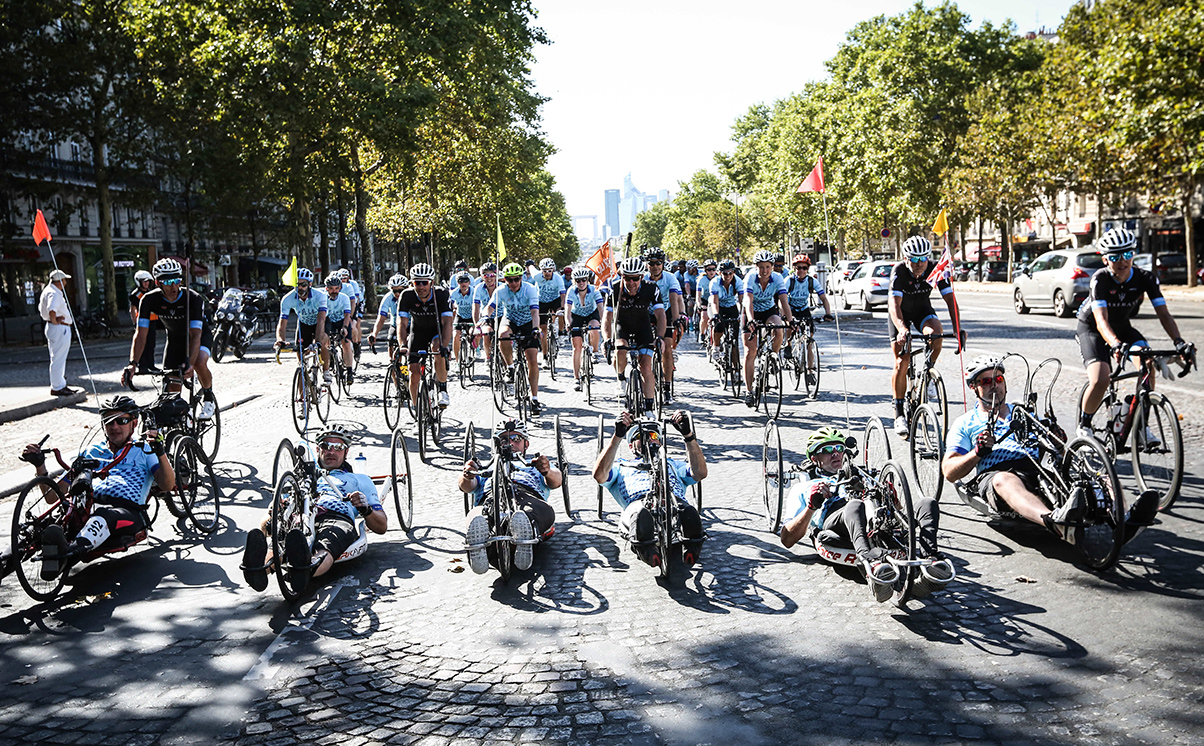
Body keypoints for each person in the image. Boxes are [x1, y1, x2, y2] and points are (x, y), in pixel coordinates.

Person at [943, 355, 1158, 545]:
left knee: (1101, 474)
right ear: (973, 387)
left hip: (1038, 468)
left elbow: (1060, 452)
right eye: (986, 381)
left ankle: (1124, 521)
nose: (994, 386)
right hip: (996, 473)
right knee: (1004, 480)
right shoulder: (966, 422)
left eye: (998, 379)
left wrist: (1057, 440)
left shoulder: (1024, 413)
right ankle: (1054, 523)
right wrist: (977, 452)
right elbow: (949, 470)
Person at [780, 427, 950, 600]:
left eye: (839, 449)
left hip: (877, 517)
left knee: (928, 503)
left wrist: (893, 499)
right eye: (828, 450)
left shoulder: (862, 475)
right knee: (854, 505)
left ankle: (932, 561)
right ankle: (871, 563)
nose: (836, 454)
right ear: (814, 458)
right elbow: (787, 539)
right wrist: (811, 506)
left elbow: (897, 512)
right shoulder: (804, 487)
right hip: (837, 519)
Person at [24, 395, 174, 580]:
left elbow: (167, 485)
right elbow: (52, 497)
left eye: (122, 420)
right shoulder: (91, 451)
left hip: (126, 512)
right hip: (84, 508)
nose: (115, 426)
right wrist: (40, 466)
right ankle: (6, 560)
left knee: (104, 516)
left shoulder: (144, 449)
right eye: (109, 422)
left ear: (134, 424)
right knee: (42, 525)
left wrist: (160, 452)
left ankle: (67, 554)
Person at [1075, 227, 1192, 439]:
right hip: (1092, 328)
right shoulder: (1100, 280)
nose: (1123, 261)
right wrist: (1115, 345)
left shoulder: (1145, 278)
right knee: (1101, 378)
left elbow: (1164, 314)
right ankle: (1085, 424)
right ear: (1105, 260)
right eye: (1115, 256)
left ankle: (1140, 426)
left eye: (1128, 254)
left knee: (1148, 364)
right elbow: (1101, 321)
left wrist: (1179, 342)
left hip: (1122, 326)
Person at [241, 426, 386, 592]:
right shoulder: (300, 479)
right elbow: (265, 527)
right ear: (318, 449)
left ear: (346, 452)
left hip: (336, 516)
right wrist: (273, 512)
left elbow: (381, 526)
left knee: (326, 545)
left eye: (338, 447)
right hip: (300, 513)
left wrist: (365, 508)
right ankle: (258, 569)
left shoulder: (359, 479)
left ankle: (305, 568)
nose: (331, 451)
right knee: (280, 542)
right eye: (326, 446)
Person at [593, 411, 707, 568]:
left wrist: (688, 436)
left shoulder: (672, 464)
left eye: (653, 436)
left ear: (660, 443)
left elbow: (700, 473)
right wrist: (617, 436)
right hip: (638, 504)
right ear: (632, 446)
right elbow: (599, 475)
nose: (648, 439)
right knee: (640, 514)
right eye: (640, 437)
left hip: (672, 502)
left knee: (686, 510)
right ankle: (647, 550)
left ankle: (692, 545)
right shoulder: (621, 466)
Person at [460, 419, 561, 574]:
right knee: (479, 516)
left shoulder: (533, 464)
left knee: (536, 511)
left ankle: (526, 531)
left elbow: (556, 481)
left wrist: (546, 470)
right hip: (490, 497)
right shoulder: (488, 465)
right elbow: (467, 486)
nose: (510, 443)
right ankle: (479, 544)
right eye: (504, 440)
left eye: (516, 439)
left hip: (525, 493)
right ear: (496, 444)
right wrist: (467, 475)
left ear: (526, 444)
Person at [124, 258, 217, 417]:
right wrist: (133, 364)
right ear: (157, 282)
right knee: (171, 388)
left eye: (176, 280)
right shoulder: (149, 299)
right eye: (168, 282)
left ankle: (209, 397)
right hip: (174, 339)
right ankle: (180, 423)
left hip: (197, 336)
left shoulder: (193, 298)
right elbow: (141, 334)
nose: (173, 286)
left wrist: (190, 364)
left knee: (200, 361)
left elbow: (195, 334)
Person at [888, 235, 961, 436]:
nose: (920, 264)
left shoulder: (936, 269)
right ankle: (899, 414)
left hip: (922, 310)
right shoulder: (899, 272)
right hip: (900, 314)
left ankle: (927, 375)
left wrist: (957, 329)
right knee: (902, 362)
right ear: (906, 258)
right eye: (915, 259)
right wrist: (902, 329)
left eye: (924, 258)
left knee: (936, 334)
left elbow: (950, 300)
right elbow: (894, 306)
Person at [603, 257, 665, 414]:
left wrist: (660, 337)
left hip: (642, 327)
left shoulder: (651, 288)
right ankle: (621, 378)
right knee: (620, 348)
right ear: (622, 276)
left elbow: (660, 314)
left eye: (635, 278)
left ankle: (649, 409)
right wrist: (606, 339)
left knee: (645, 366)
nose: (631, 282)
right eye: (627, 278)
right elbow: (607, 317)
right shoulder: (614, 289)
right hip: (622, 326)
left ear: (641, 277)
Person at [483, 263, 545, 414]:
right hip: (510, 320)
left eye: (516, 279)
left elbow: (535, 312)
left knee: (532, 360)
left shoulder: (529, 289)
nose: (513, 283)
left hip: (528, 322)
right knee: (502, 335)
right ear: (505, 280)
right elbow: (490, 307)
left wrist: (536, 329)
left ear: (521, 278)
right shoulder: (501, 290)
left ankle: (534, 398)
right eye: (510, 280)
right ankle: (510, 368)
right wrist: (485, 317)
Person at [395, 263, 454, 409]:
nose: (421, 286)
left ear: (431, 283)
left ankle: (442, 389)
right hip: (418, 332)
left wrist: (444, 346)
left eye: (425, 282)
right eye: (417, 282)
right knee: (414, 373)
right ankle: (417, 411)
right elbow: (402, 323)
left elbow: (447, 322)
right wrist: (402, 345)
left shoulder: (441, 294)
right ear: (412, 283)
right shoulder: (406, 295)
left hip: (437, 331)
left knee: (437, 349)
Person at [742, 249, 794, 407]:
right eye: (761, 267)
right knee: (750, 352)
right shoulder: (750, 277)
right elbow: (748, 300)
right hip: (751, 312)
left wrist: (790, 321)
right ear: (756, 267)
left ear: (772, 267)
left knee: (779, 327)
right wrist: (751, 319)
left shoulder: (778, 278)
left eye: (768, 267)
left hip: (768, 310)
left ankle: (773, 357)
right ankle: (749, 391)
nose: (764, 271)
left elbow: (784, 301)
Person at [271, 268, 330, 380]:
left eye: (303, 284)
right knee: (301, 359)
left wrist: (317, 341)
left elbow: (321, 320)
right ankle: (302, 396)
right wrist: (280, 340)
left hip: (321, 322)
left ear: (310, 284)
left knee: (323, 342)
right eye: (297, 284)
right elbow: (282, 323)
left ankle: (326, 371)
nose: (300, 288)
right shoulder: (287, 299)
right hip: (304, 323)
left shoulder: (320, 296)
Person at [784, 255, 833, 383]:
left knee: (809, 341)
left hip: (804, 310)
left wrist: (828, 313)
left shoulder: (812, 281)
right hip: (790, 308)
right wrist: (787, 315)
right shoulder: (789, 281)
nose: (801, 270)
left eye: (804, 268)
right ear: (794, 268)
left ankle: (810, 371)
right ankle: (788, 345)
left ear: (808, 269)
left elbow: (824, 298)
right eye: (798, 268)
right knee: (790, 325)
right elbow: (781, 299)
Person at [642, 247, 682, 403]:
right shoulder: (643, 278)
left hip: (665, 312)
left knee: (667, 348)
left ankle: (667, 387)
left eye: (659, 263)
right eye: (652, 263)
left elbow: (674, 298)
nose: (655, 266)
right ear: (647, 265)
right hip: (647, 312)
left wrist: (676, 318)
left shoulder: (670, 278)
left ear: (663, 263)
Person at [39, 268, 77, 396]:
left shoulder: (49, 291)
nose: (66, 282)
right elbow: (52, 309)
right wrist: (55, 320)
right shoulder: (54, 293)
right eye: (64, 279)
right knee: (59, 358)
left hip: (55, 327)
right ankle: (57, 386)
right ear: (60, 281)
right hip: (59, 328)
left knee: (57, 357)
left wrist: (53, 320)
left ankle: (60, 383)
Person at [564, 267, 604, 391]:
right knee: (577, 347)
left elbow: (601, 308)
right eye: (578, 280)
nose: (581, 283)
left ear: (588, 280)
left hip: (591, 314)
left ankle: (595, 352)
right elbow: (568, 309)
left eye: (584, 280)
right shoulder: (571, 291)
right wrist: (567, 322)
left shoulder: (594, 289)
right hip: (577, 316)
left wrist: (603, 322)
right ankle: (576, 378)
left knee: (594, 327)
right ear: (574, 281)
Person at [323, 273, 356, 385]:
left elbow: (347, 315)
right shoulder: (323, 298)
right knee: (326, 341)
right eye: (331, 289)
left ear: (340, 288)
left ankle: (350, 371)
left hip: (342, 321)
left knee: (345, 343)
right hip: (329, 321)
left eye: (337, 288)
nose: (334, 291)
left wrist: (345, 327)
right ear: (326, 289)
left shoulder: (344, 298)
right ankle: (331, 359)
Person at [534, 257, 568, 363]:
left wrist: (562, 308)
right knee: (543, 330)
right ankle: (545, 356)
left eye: (550, 270)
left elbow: (563, 295)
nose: (547, 273)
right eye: (545, 271)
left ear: (553, 270)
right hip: (541, 301)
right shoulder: (537, 276)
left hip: (555, 300)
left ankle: (561, 332)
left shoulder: (558, 278)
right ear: (541, 271)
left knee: (561, 312)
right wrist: (529, 264)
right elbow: (530, 268)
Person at [128, 270, 160, 374]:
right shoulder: (136, 295)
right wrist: (134, 323)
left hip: (152, 321)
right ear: (139, 282)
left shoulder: (149, 293)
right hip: (142, 323)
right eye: (144, 281)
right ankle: (142, 366)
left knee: (151, 343)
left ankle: (151, 364)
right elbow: (132, 309)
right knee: (142, 344)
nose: (147, 283)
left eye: (148, 281)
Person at [367, 273, 408, 355]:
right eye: (394, 291)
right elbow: (381, 318)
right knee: (391, 341)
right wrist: (374, 334)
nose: (397, 294)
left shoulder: (411, 296)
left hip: (410, 324)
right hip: (395, 325)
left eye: (400, 291)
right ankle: (393, 364)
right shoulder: (388, 297)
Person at [449, 271, 477, 363]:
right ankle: (457, 361)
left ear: (469, 282)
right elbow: (450, 305)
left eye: (465, 281)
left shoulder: (474, 292)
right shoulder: (454, 293)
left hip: (472, 316)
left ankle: (475, 347)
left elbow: (478, 307)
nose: (463, 283)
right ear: (458, 283)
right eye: (461, 281)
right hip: (460, 315)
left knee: (473, 333)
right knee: (456, 336)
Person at [336, 268, 364, 362]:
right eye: (341, 278)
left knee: (354, 325)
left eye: (345, 278)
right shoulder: (336, 285)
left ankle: (357, 345)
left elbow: (356, 300)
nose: (343, 280)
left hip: (356, 304)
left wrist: (351, 317)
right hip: (345, 305)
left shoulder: (352, 284)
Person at [695, 259, 718, 341]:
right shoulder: (701, 279)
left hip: (715, 299)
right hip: (704, 299)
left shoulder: (718, 278)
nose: (711, 272)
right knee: (704, 317)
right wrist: (698, 304)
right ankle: (702, 333)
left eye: (713, 269)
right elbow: (698, 294)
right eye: (709, 269)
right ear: (705, 270)